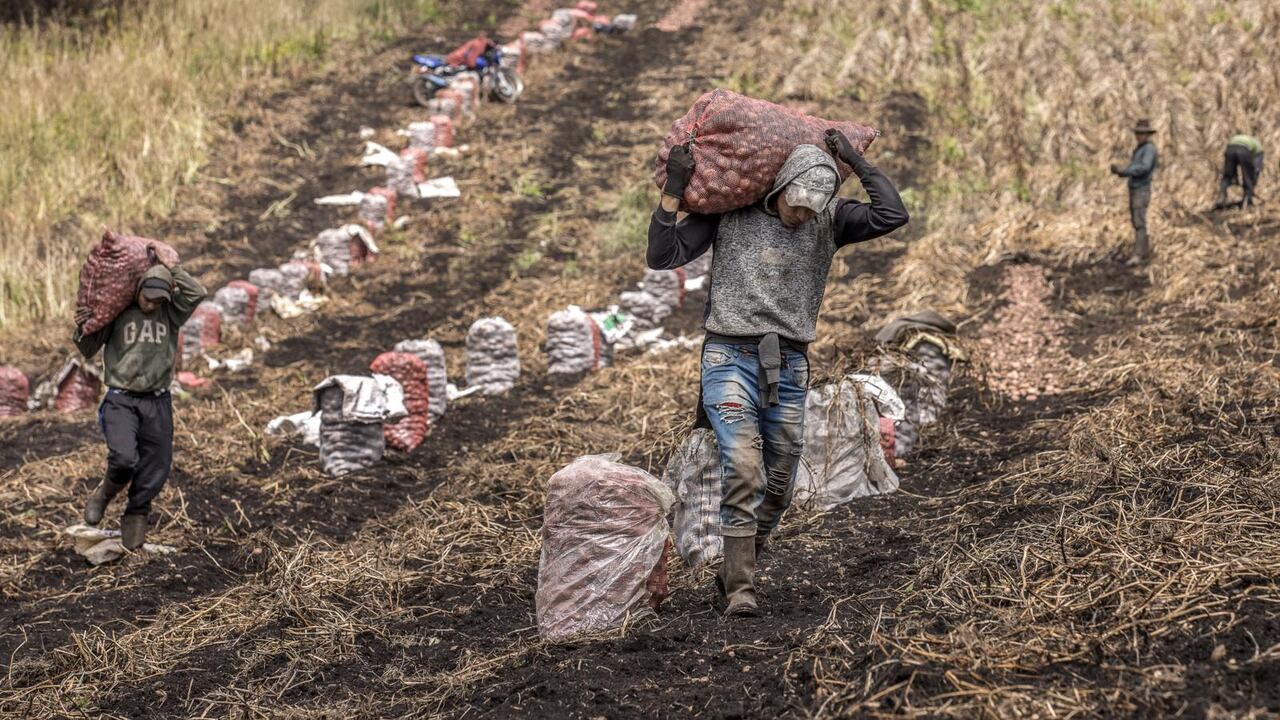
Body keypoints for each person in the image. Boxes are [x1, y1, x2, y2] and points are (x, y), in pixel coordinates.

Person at [646, 130, 908, 617]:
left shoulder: (831, 220)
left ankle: (733, 571)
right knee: (743, 465)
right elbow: (663, 255)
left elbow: (893, 214)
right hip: (728, 357)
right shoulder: (733, 213)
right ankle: (742, 589)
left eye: (812, 207)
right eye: (796, 204)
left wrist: (855, 161)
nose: (801, 215)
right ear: (779, 185)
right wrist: (674, 191)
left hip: (789, 363)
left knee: (781, 482)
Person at [73, 250, 206, 551]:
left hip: (157, 401)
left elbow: (197, 292)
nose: (151, 304)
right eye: (148, 297)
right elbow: (87, 347)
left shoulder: (170, 314)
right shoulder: (119, 311)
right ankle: (104, 494)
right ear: (137, 290)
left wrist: (172, 266)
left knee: (157, 466)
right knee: (123, 458)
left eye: (159, 299)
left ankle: (136, 512)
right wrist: (82, 326)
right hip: (121, 399)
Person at [1110, 118, 1159, 264]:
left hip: (1141, 188)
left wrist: (1124, 171)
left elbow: (1144, 167)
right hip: (1136, 188)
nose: (1139, 136)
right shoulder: (1140, 149)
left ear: (1147, 134)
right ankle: (1142, 252)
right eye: (1137, 133)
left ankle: (1139, 254)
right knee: (1137, 220)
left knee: (1139, 221)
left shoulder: (1149, 149)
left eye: (1142, 133)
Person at [1215, 134, 1264, 209]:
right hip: (1243, 150)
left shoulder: (1241, 139)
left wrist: (1235, 178)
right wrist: (1253, 182)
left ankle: (1221, 197)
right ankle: (1247, 200)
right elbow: (1256, 168)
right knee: (1248, 177)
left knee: (1227, 176)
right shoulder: (1259, 149)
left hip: (1230, 148)